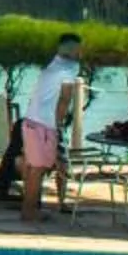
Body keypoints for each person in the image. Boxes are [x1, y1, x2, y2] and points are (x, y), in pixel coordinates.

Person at [20, 33, 85, 224]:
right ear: (73, 50)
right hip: (44, 124)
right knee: (38, 169)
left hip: (31, 120)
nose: (81, 52)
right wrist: (58, 125)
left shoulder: (53, 65)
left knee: (33, 168)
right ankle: (30, 212)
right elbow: (65, 99)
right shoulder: (69, 68)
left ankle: (29, 209)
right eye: (78, 49)